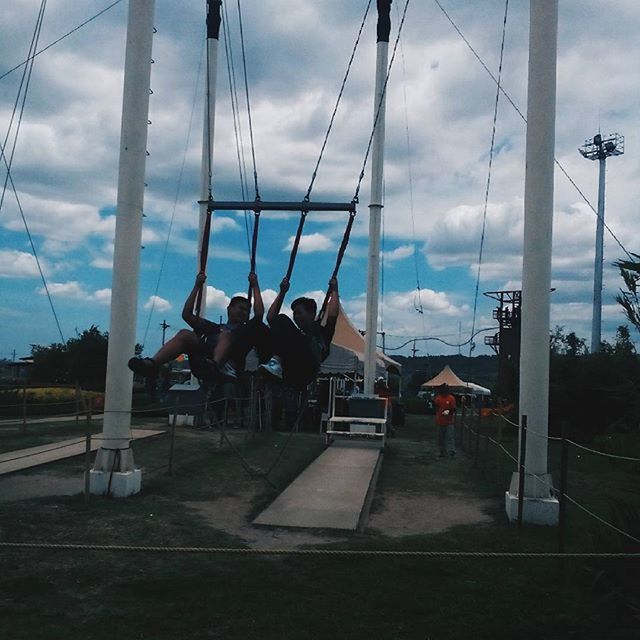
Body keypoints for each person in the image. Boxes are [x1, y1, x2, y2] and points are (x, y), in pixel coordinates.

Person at [128, 271, 269, 382]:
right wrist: (197, 286)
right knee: (185, 334)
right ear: (229, 309)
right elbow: (187, 315)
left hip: (228, 363)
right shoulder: (214, 327)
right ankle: (152, 364)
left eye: (246, 310)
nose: (244, 312)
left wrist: (255, 285)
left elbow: (259, 314)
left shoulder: (246, 330)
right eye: (241, 308)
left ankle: (216, 365)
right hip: (204, 360)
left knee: (226, 335)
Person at [259, 276, 339, 425]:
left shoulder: (321, 332)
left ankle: (276, 362)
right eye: (295, 313)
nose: (296, 317)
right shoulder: (292, 337)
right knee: (274, 327)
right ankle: (283, 419)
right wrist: (282, 292)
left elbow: (333, 314)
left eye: (299, 313)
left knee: (282, 319)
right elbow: (270, 317)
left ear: (311, 314)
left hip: (310, 361)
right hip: (296, 372)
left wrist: (334, 289)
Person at [434, 383, 456, 458]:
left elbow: (453, 409)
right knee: (441, 438)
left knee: (450, 437)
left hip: (449, 421)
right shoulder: (438, 398)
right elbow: (436, 408)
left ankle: (451, 451)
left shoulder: (451, 398)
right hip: (440, 421)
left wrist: (448, 412)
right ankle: (442, 452)